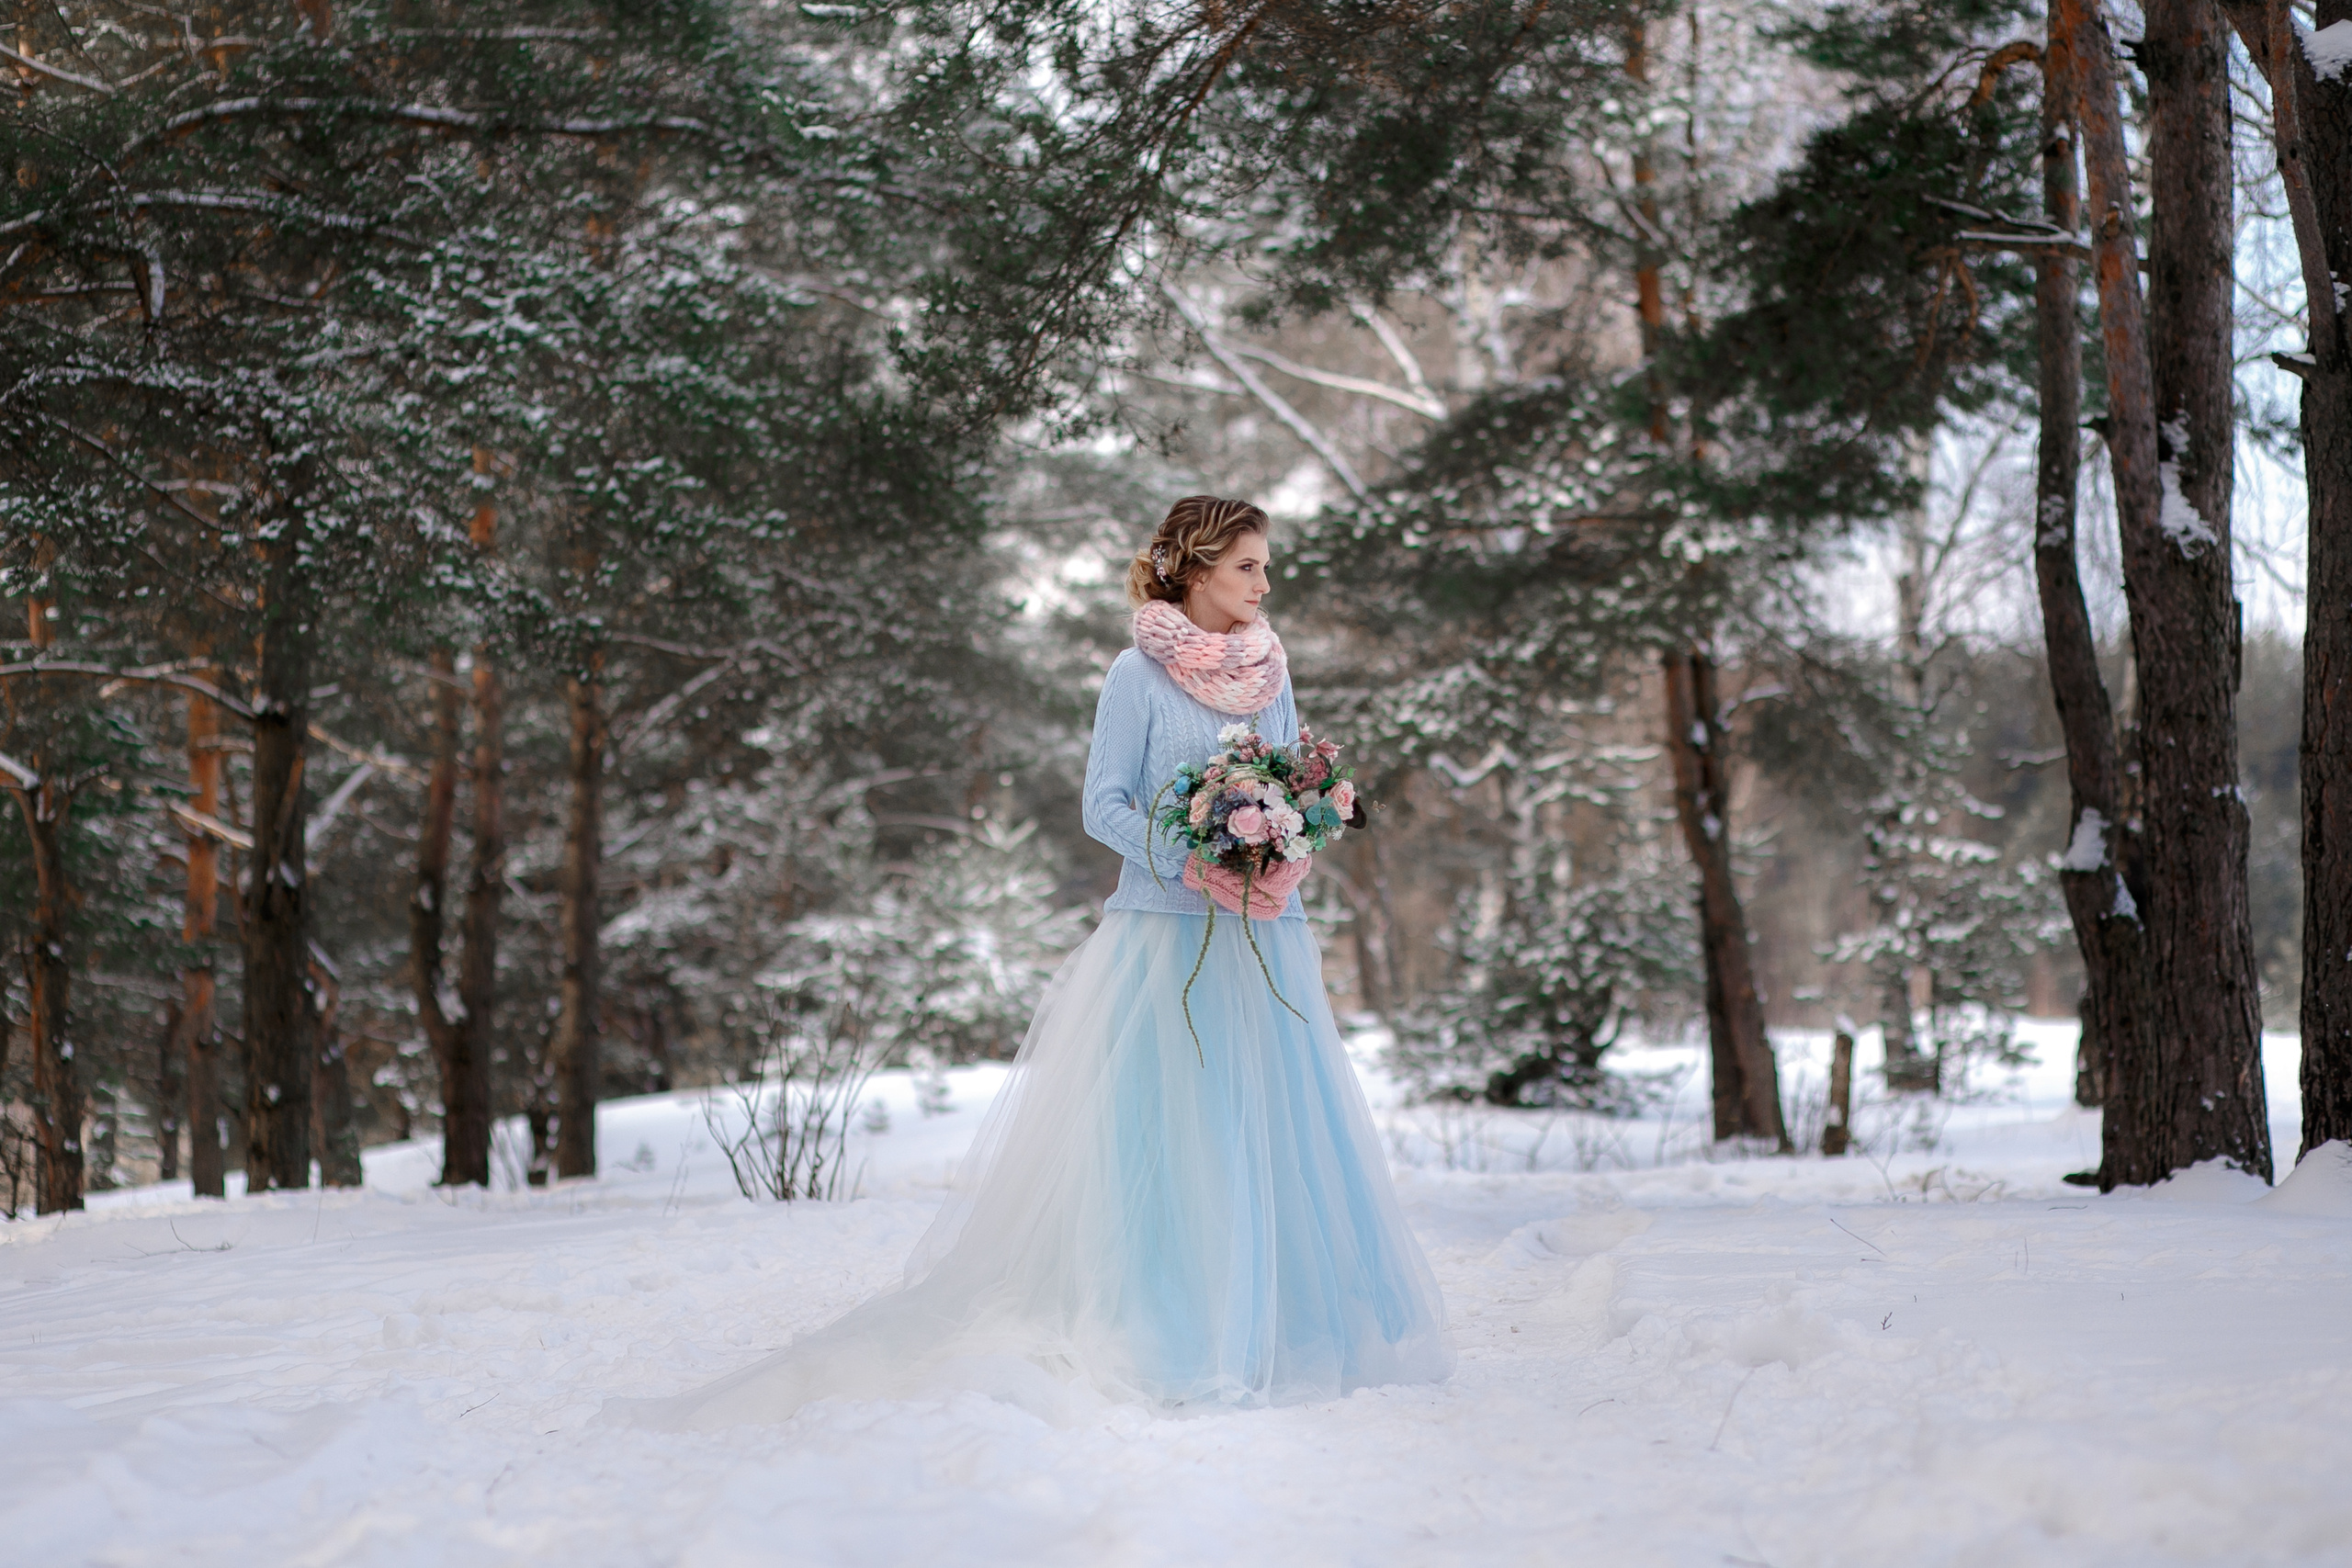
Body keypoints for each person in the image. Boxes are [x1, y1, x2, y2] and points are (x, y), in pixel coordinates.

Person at [637, 496, 1452, 1427]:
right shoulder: (1134, 677)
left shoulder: (1272, 671)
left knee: (1271, 1125)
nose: (1265, 585)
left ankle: (1286, 1324)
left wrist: (1288, 853)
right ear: (1192, 569)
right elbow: (1102, 805)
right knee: (1171, 1135)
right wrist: (1187, 858)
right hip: (1165, 931)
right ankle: (1171, 1325)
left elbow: (1296, 786)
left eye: (1265, 567)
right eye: (1247, 568)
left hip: (1266, 930)